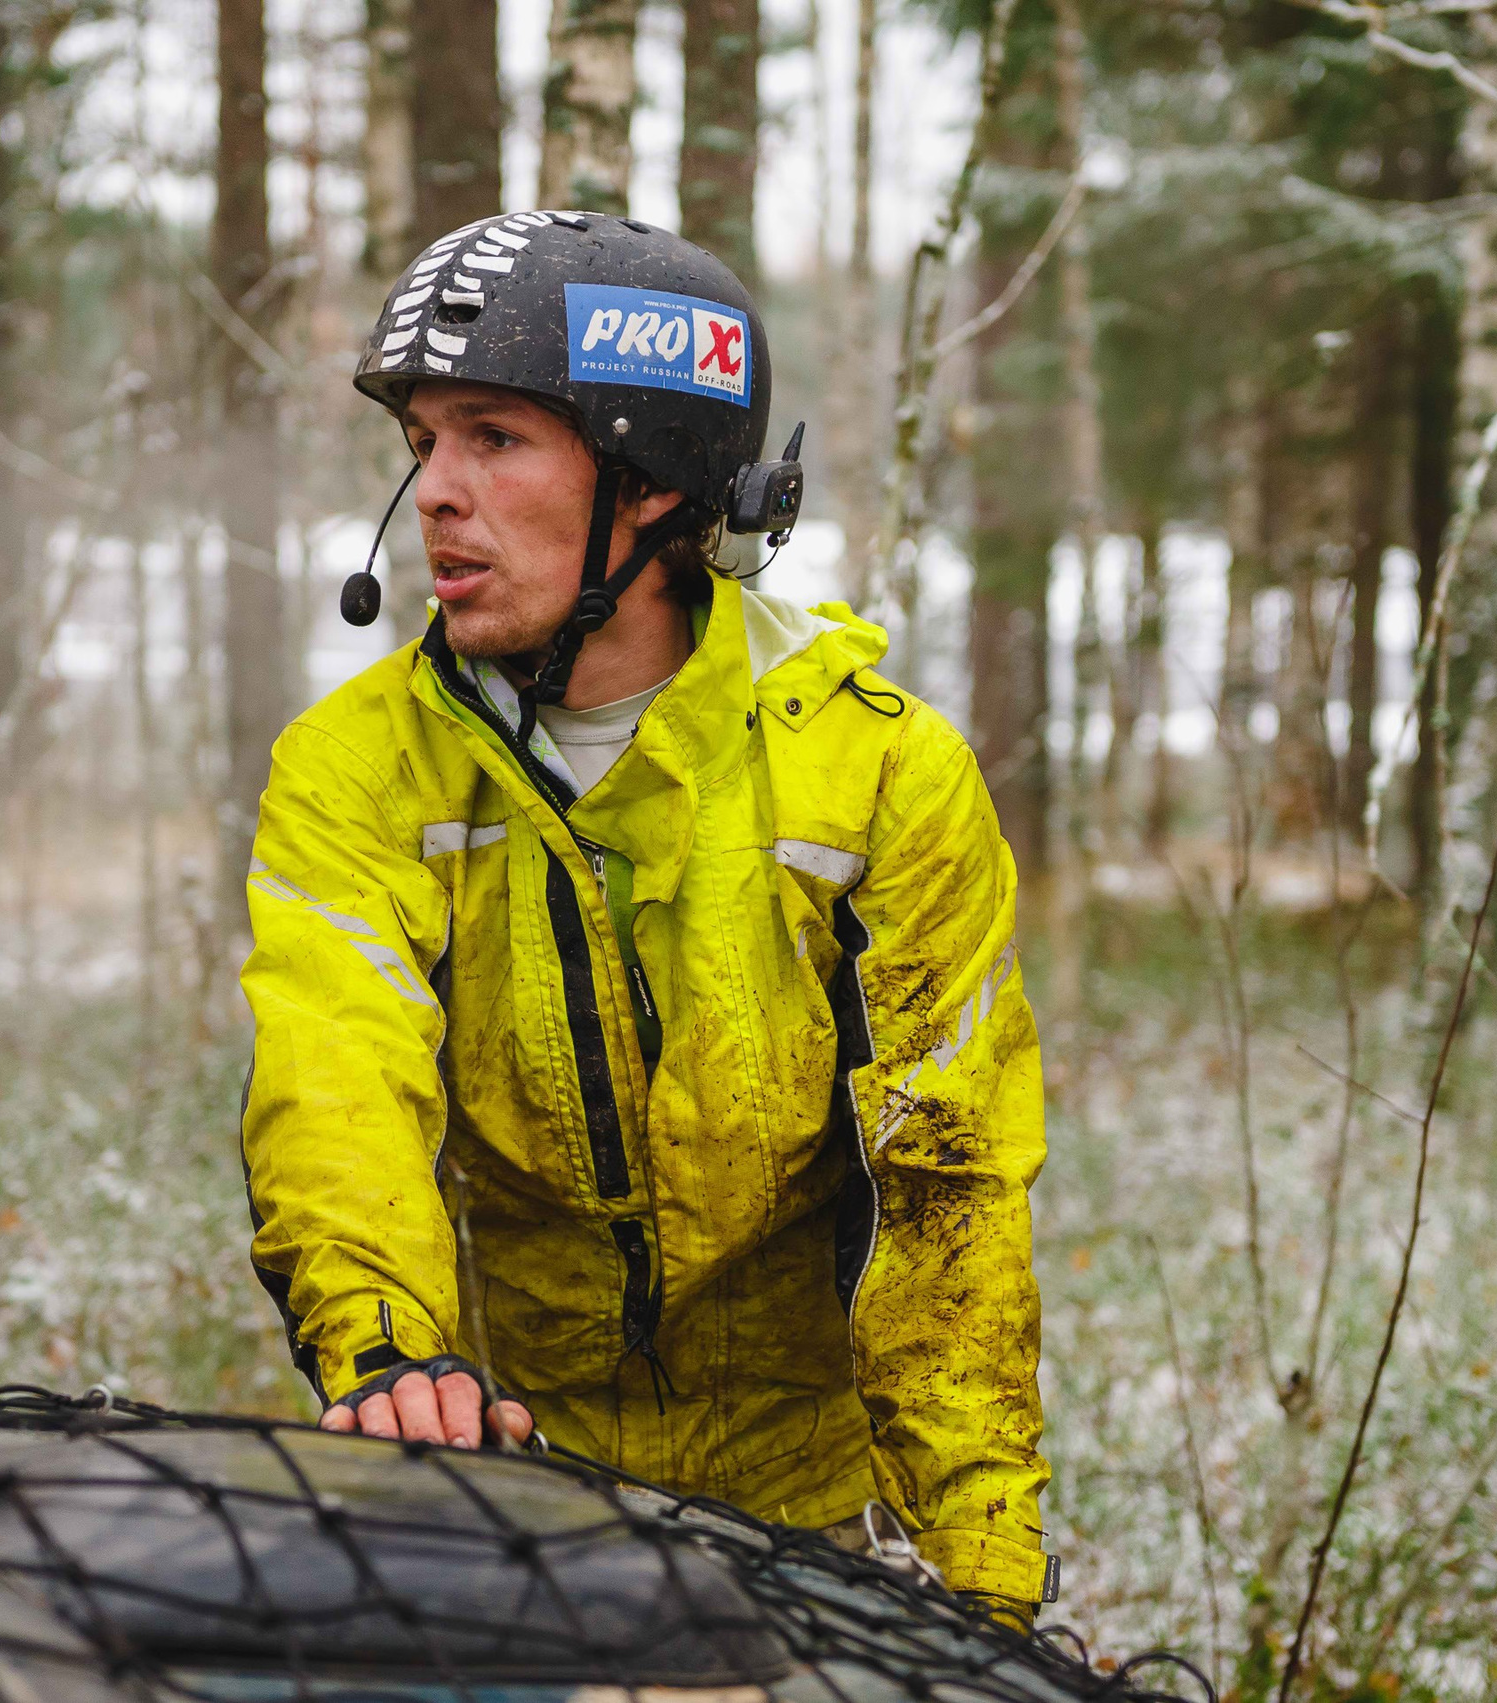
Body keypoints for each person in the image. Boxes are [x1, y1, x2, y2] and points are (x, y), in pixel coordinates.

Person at [237, 212, 1053, 1627]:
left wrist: (986, 1599)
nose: (434, 492)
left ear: (653, 487)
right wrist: (385, 1356)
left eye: (493, 438)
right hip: (509, 1489)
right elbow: (335, 1073)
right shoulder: (355, 767)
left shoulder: (877, 776)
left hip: (813, 1520)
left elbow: (949, 1199)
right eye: (424, 443)